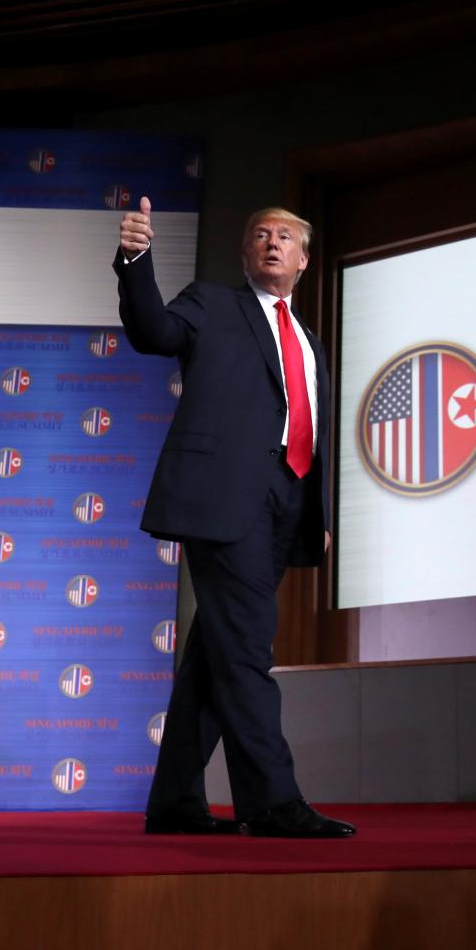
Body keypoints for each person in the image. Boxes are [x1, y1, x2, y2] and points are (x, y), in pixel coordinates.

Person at [114, 198, 354, 838]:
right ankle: (271, 802)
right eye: (259, 235)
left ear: (303, 261)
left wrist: (317, 511)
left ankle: (173, 804)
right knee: (247, 649)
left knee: (214, 657)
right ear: (246, 252)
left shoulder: (310, 342)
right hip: (222, 499)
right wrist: (135, 260)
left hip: (285, 504)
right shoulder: (213, 304)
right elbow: (153, 332)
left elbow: (313, 431)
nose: (271, 243)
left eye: (285, 237)